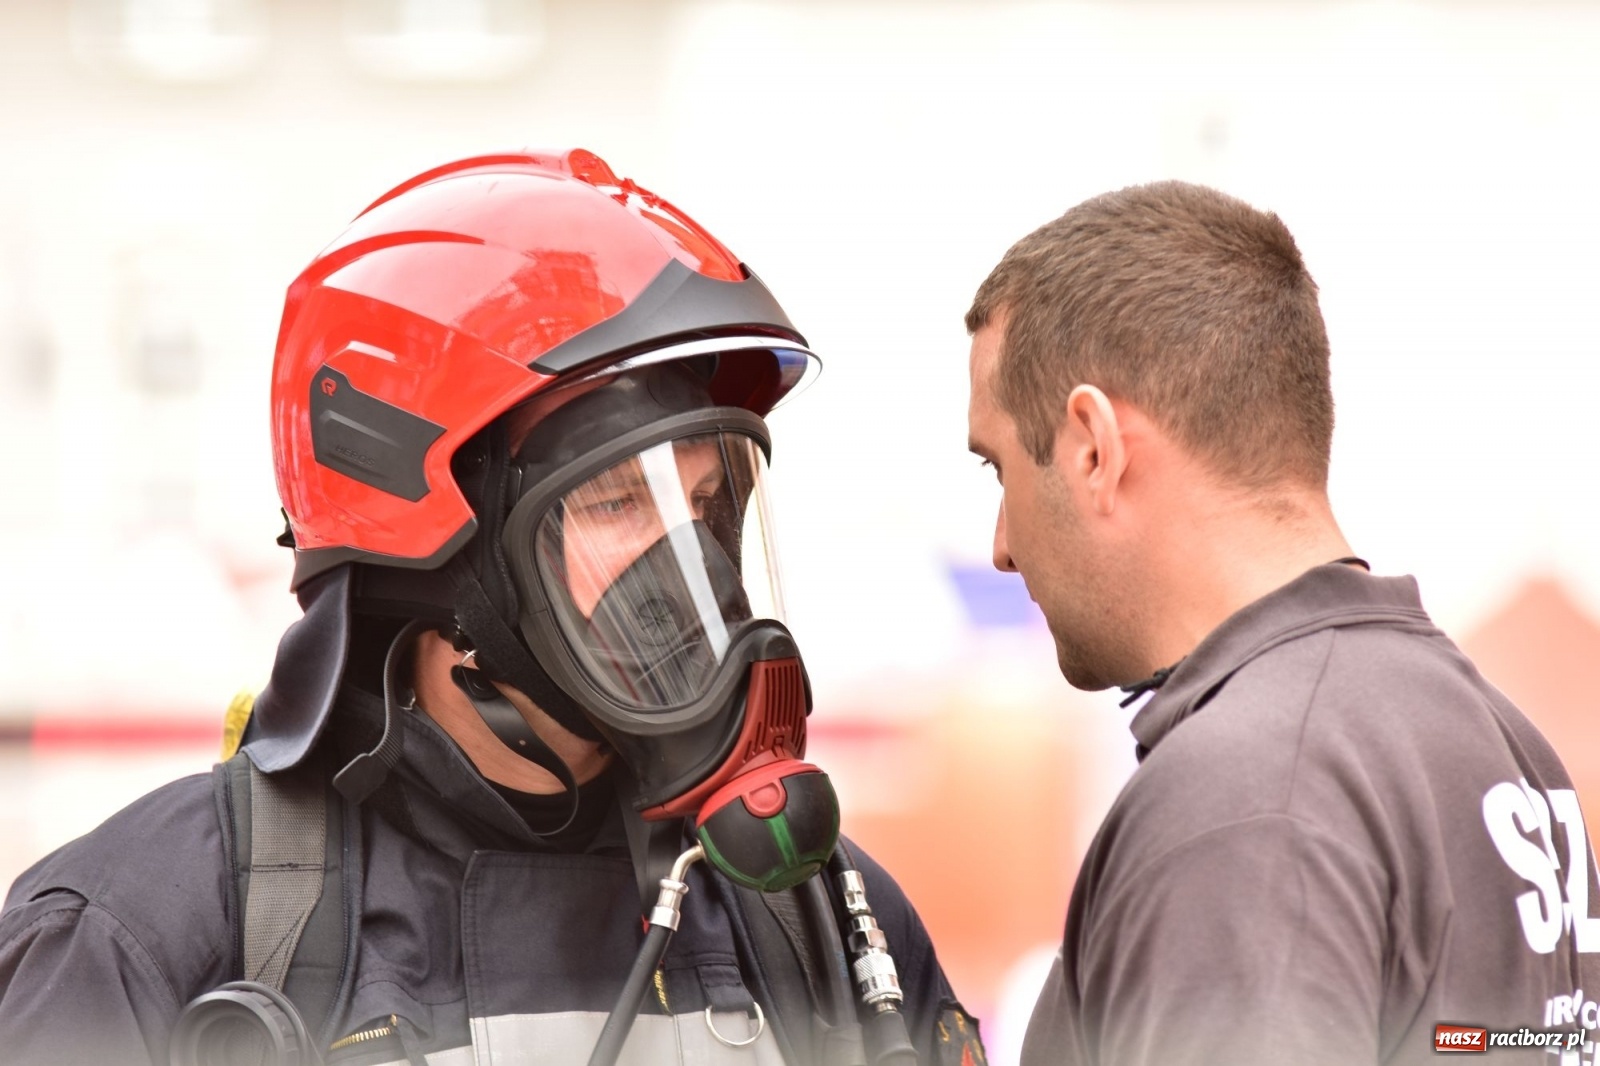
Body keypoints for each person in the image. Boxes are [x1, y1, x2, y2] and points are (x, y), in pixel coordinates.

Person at [0, 150, 988, 1066]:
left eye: (706, 504)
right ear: (443, 562)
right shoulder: (139, 940)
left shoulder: (824, 922)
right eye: (618, 502)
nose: (693, 569)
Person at [963, 181, 1600, 1065]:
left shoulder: (1250, 797)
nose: (1001, 544)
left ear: (1094, 447)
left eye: (998, 469)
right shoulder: (1503, 745)